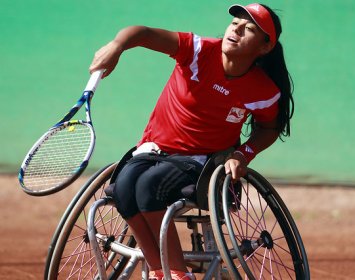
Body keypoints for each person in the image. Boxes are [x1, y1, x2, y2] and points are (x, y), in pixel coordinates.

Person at [89, 3, 294, 280]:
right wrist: (117, 45)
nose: (236, 29)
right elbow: (144, 33)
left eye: (249, 29)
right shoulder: (198, 50)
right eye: (235, 23)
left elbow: (269, 127)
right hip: (154, 148)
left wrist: (243, 154)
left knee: (149, 188)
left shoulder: (263, 91)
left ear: (265, 47)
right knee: (124, 187)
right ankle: (160, 271)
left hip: (202, 161)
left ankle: (178, 274)